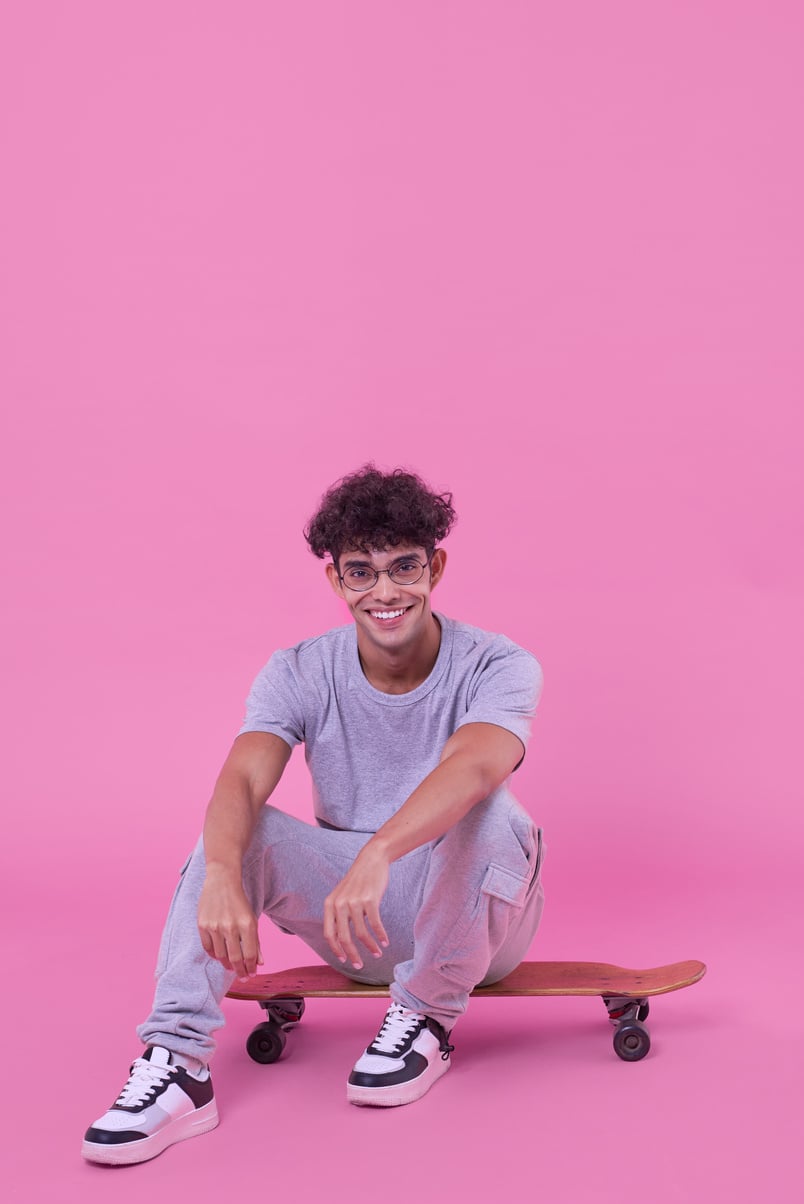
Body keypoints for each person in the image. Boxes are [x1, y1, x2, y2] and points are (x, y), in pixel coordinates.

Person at [82, 464, 545, 1166]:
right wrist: (220, 878)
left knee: (493, 810)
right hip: (355, 924)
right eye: (361, 572)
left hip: (476, 924)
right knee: (241, 828)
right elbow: (242, 775)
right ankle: (177, 1066)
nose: (385, 592)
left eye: (404, 568)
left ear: (436, 567)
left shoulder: (500, 663)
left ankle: (424, 1020)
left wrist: (378, 852)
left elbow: (474, 765)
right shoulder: (299, 669)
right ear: (336, 581)